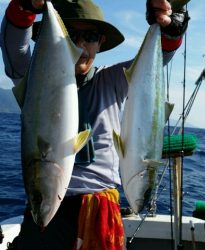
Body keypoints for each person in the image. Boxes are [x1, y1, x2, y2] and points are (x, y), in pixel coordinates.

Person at [0, 0, 189, 249]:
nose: (80, 45)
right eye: (71, 34)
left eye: (89, 37)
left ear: (100, 42)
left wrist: (170, 28)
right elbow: (15, 47)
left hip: (100, 211)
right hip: (47, 206)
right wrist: (26, 6)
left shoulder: (111, 80)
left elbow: (155, 62)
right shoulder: (35, 80)